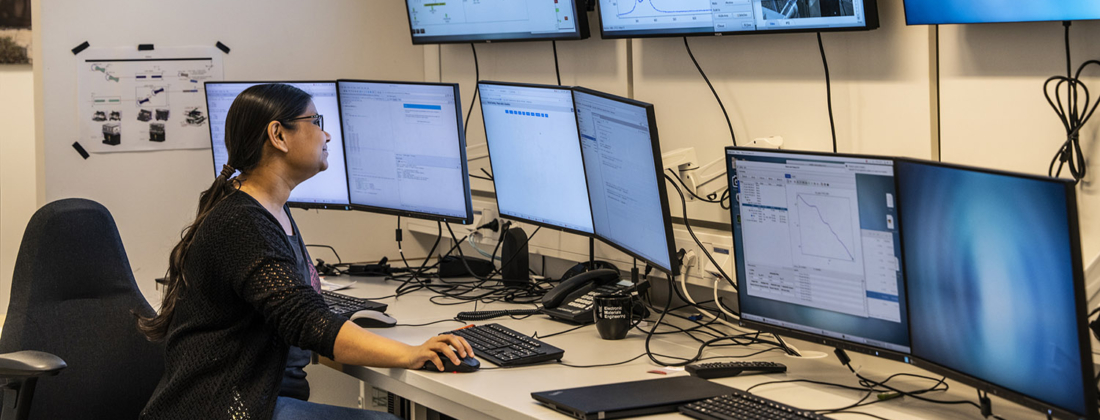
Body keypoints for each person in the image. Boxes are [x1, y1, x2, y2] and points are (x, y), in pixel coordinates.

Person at [136, 84, 472, 420]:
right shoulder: (242, 221)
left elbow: (296, 308)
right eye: (315, 121)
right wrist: (410, 353)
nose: (326, 135)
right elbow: (308, 323)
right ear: (278, 135)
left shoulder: (268, 210)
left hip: (256, 398)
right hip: (227, 406)